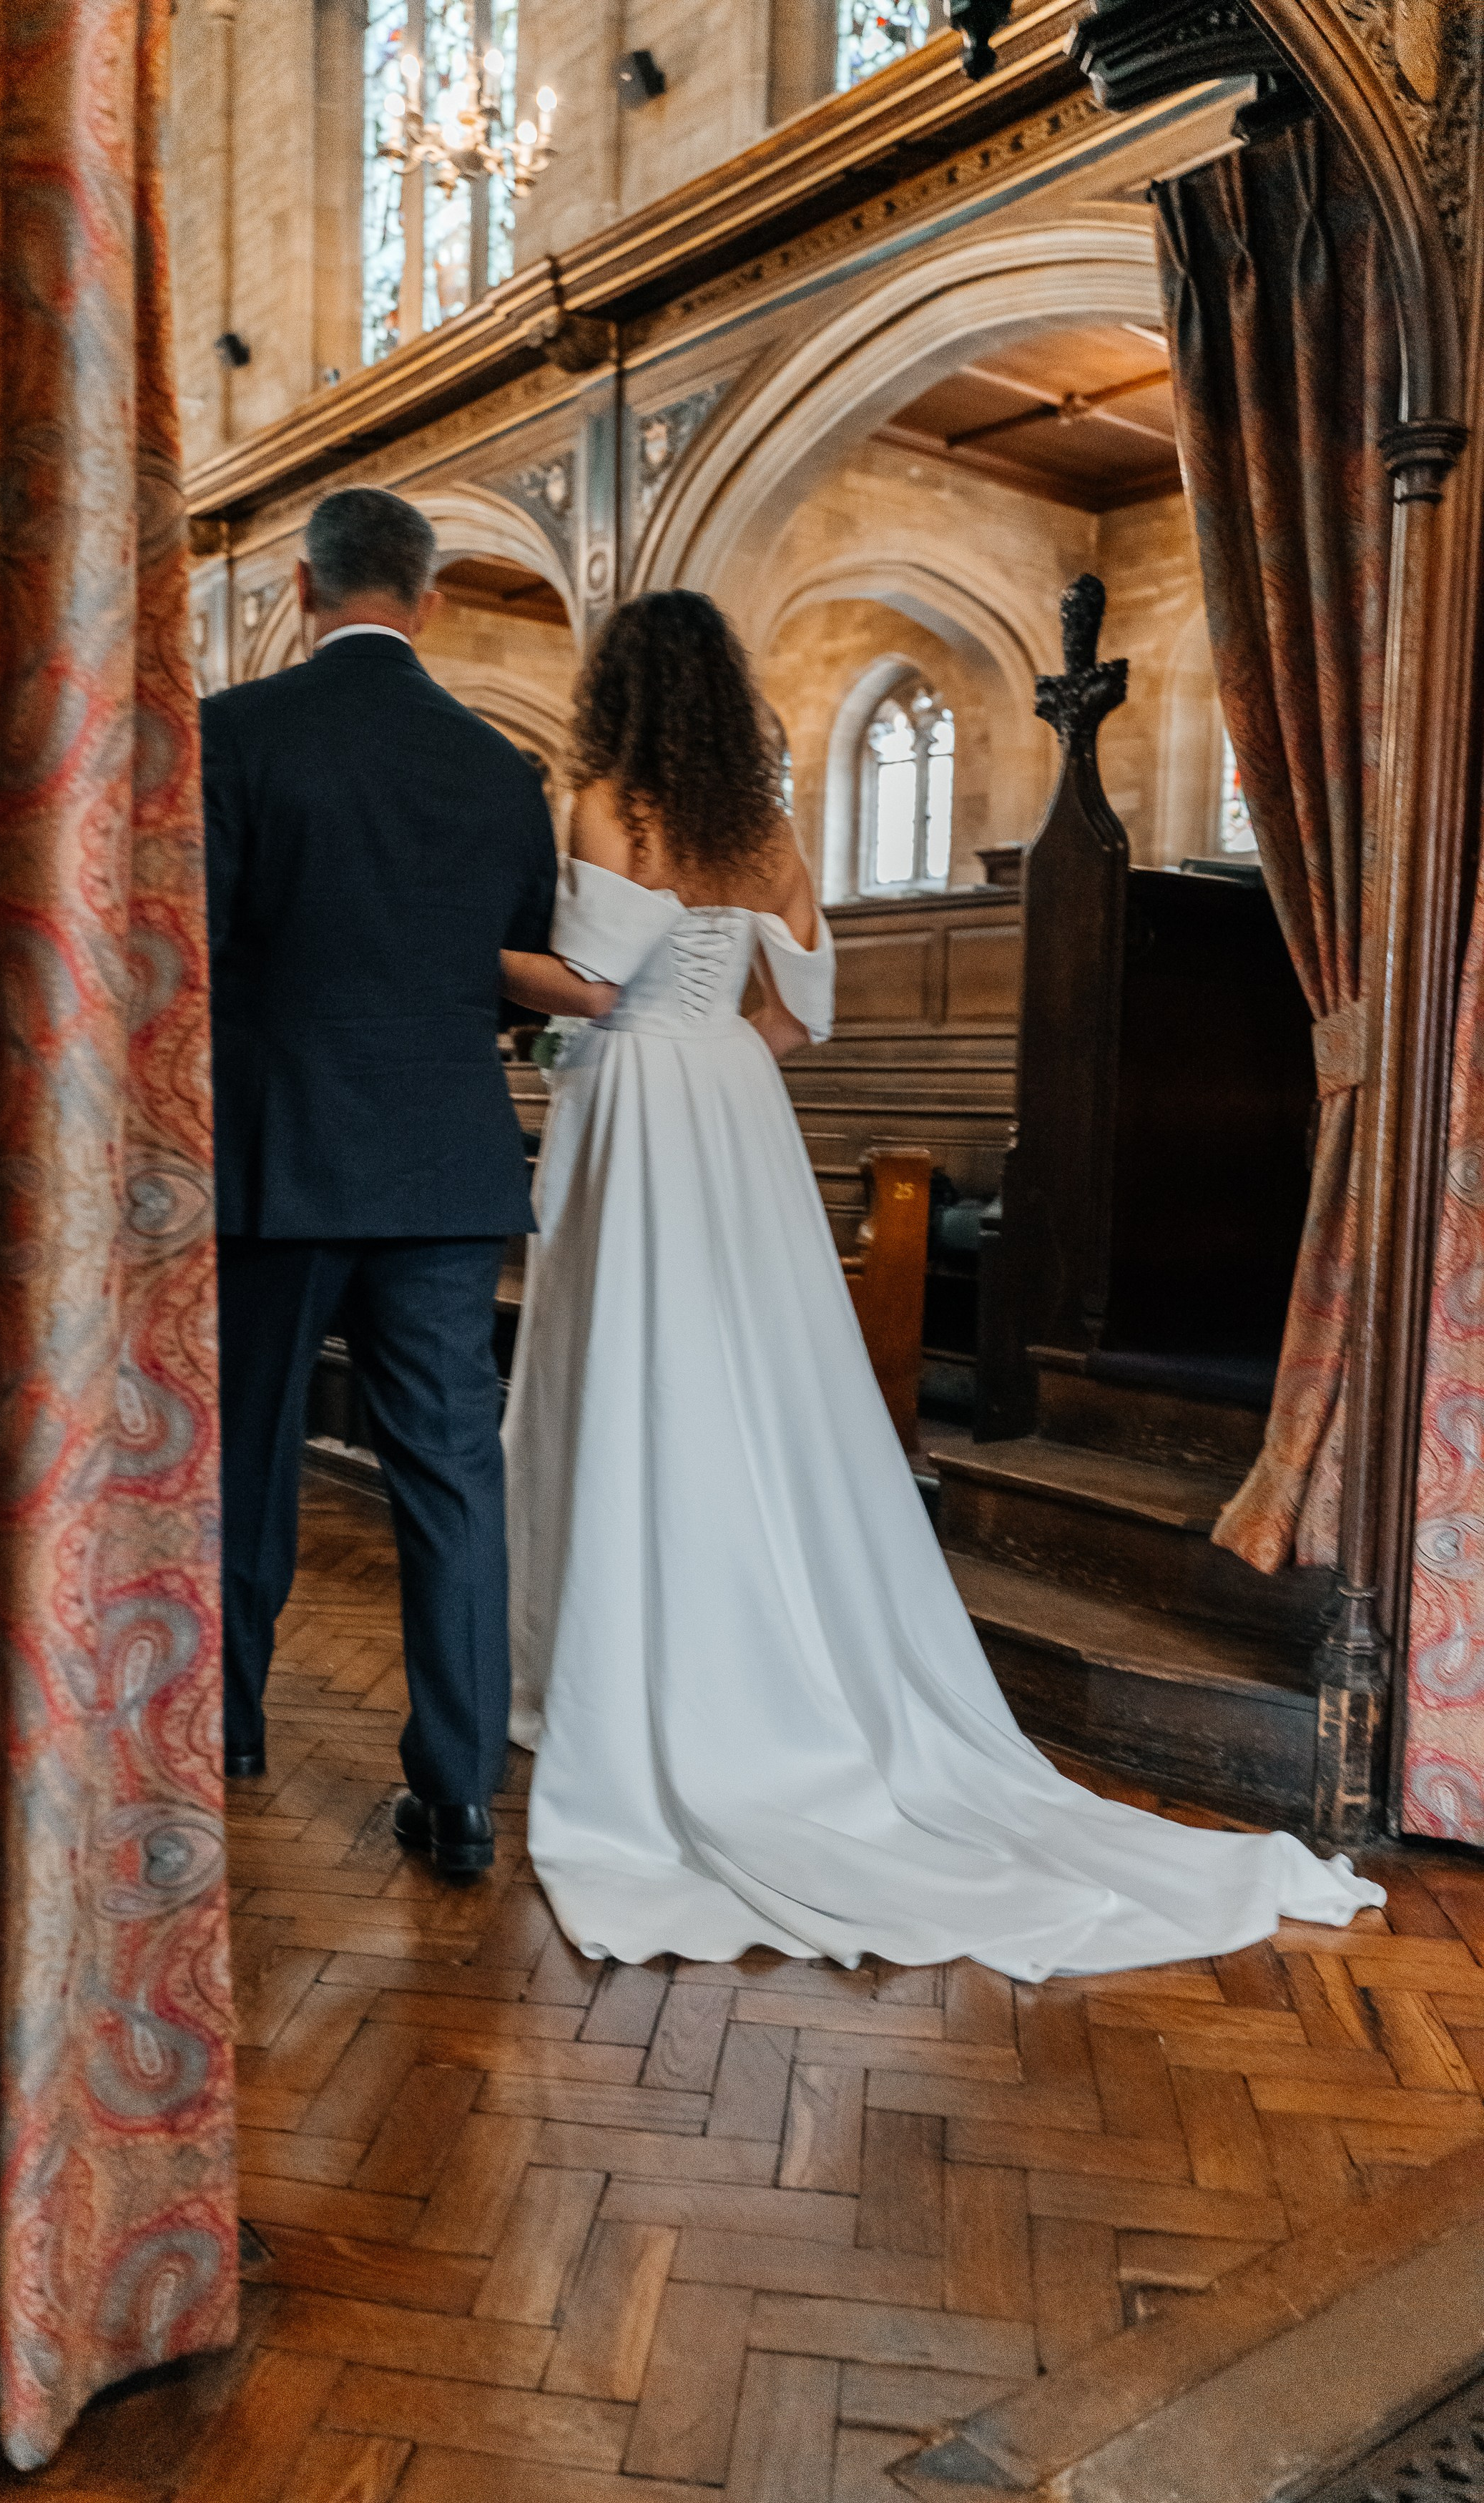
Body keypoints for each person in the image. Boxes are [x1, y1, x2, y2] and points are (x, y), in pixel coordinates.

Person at [499, 590, 1384, 1979]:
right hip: (733, 1109)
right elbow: (798, 1017)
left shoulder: (613, 805)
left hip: (644, 1102)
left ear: (620, 693)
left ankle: (617, 1674)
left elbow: (595, 987)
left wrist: (475, 961)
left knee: (628, 1376)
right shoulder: (765, 833)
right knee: (747, 1385)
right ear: (728, 700)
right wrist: (718, 1043)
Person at [202, 486, 608, 1877]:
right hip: (444, 1163)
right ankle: (456, 1790)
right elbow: (510, 964)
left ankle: (226, 1727)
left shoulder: (233, 734)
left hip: (271, 1157)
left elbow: (184, 951)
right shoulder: (501, 769)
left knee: (244, 1456)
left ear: (304, 594)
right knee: (448, 1476)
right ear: (426, 602)